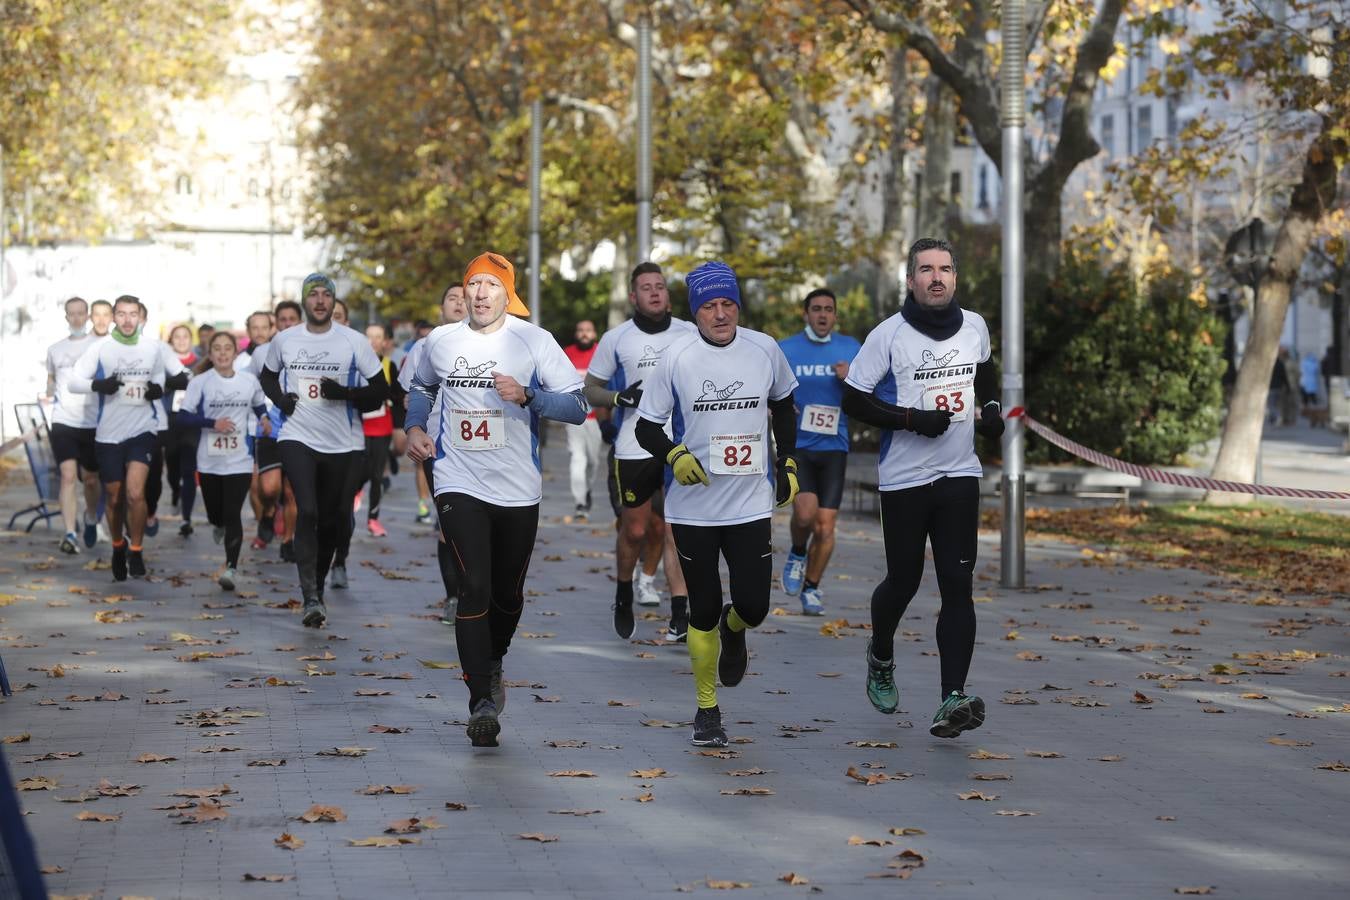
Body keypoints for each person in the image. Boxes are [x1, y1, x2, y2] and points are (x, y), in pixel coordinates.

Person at [406, 251, 585, 747]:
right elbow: (419, 387)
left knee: (507, 595)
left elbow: (577, 406)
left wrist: (529, 396)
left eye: (491, 285)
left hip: (517, 487)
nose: (480, 293)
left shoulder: (533, 340)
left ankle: (494, 660)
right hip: (458, 478)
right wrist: (415, 426)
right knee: (474, 585)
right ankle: (480, 700)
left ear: (509, 294)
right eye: (474, 285)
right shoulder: (440, 341)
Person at [840, 237, 1003, 739]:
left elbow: (984, 372)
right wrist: (911, 419)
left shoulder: (974, 326)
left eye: (946, 269)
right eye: (927, 269)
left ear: (956, 277)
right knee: (904, 581)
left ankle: (951, 697)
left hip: (959, 475)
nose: (937, 277)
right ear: (910, 280)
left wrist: (992, 411)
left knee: (958, 587)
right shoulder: (889, 335)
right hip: (905, 479)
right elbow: (855, 400)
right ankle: (881, 652)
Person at [633, 260, 800, 748]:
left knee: (754, 604)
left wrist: (787, 461)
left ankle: (736, 628)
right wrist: (674, 453)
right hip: (694, 508)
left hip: (749, 502)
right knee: (700, 609)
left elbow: (785, 405)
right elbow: (647, 427)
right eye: (710, 306)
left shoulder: (764, 349)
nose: (721, 314)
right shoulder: (676, 356)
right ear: (696, 311)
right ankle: (707, 709)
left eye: (729, 304)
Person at [259, 274, 389, 627]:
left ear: (333, 302)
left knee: (333, 520)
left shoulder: (353, 341)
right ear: (304, 301)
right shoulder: (285, 339)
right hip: (297, 436)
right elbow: (268, 377)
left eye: (325, 295)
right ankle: (310, 596)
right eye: (313, 295)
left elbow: (380, 390)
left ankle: (317, 585)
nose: (319, 300)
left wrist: (345, 394)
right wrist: (280, 400)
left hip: (343, 443)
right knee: (308, 509)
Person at [585, 264, 696, 640]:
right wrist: (619, 397)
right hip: (633, 445)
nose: (654, 293)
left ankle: (680, 612)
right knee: (634, 530)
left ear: (667, 294)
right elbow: (590, 388)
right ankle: (622, 593)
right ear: (633, 296)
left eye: (660, 287)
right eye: (646, 288)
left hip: (678, 443)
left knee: (675, 527)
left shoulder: (690, 333)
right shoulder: (617, 338)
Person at [69, 295, 188, 581]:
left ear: (140, 317)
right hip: (109, 434)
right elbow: (73, 381)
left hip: (142, 430)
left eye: (132, 314)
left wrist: (157, 390)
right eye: (121, 314)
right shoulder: (101, 348)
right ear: (113, 317)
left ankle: (136, 549)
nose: (126, 320)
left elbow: (160, 377)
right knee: (114, 497)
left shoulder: (153, 348)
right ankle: (118, 546)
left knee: (135, 493)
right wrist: (99, 384)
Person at [777, 288, 862, 615]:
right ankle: (798, 551)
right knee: (805, 515)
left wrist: (850, 379)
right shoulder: (786, 349)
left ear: (835, 315)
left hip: (834, 447)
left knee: (826, 527)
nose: (823, 314)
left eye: (829, 309)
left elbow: (868, 393)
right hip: (798, 447)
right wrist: (779, 408)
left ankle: (812, 587)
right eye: (816, 309)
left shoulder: (850, 348)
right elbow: (770, 390)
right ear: (806, 314)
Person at [400, 283, 470, 623]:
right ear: (441, 307)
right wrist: (413, 422)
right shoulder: (426, 347)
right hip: (437, 446)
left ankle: (478, 589)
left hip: (481, 449)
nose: (458, 303)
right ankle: (454, 596)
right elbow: (406, 393)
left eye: (463, 297)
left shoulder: (491, 344)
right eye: (451, 298)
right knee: (449, 524)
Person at [176, 331, 267, 591]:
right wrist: (212, 423)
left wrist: (264, 419)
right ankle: (217, 524)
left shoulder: (249, 381)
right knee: (216, 513)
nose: (223, 353)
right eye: (217, 348)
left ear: (235, 353)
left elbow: (259, 404)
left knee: (232, 513)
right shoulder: (200, 382)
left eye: (228, 348)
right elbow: (183, 417)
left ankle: (231, 568)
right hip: (209, 460)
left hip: (240, 458)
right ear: (210, 353)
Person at [45, 297, 104, 553]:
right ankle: (69, 533)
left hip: (91, 422)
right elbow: (50, 381)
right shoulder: (55, 349)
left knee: (91, 479)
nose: (77, 318)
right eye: (72, 314)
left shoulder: (99, 346)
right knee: (68, 477)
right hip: (63, 420)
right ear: (66, 317)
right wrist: (46, 395)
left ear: (88, 316)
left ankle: (90, 517)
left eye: (82, 313)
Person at [251, 302, 303, 559]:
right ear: (276, 324)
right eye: (282, 320)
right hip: (270, 427)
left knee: (292, 491)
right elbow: (252, 387)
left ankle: (288, 540)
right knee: (270, 489)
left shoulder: (311, 349)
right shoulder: (262, 352)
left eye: (292, 319)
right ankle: (269, 512)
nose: (287, 324)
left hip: (299, 428)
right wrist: (260, 415)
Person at [354, 322, 404, 537]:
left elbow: (398, 395)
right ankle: (356, 490)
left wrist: (398, 427)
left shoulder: (389, 366)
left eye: (378, 337)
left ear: (384, 342)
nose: (373, 341)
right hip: (359, 426)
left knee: (376, 475)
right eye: (369, 336)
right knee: (361, 472)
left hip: (382, 427)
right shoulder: (354, 366)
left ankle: (373, 520)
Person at [562, 320, 605, 519]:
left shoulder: (601, 354)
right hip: (573, 417)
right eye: (580, 330)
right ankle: (580, 502)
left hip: (596, 418)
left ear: (594, 333)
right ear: (576, 333)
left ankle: (587, 489)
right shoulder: (567, 353)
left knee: (593, 461)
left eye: (588, 330)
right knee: (578, 459)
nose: (584, 334)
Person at [163, 324, 202, 536]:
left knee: (189, 469)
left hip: (191, 420)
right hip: (170, 419)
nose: (181, 340)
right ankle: (175, 489)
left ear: (190, 339)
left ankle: (186, 518)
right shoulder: (165, 364)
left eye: (185, 336)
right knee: (172, 465)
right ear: (171, 341)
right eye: (176, 337)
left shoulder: (199, 363)